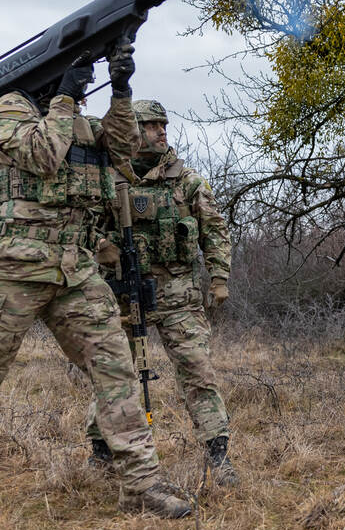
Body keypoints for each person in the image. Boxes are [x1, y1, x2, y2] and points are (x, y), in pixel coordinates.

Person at [0, 45, 192, 518]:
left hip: (75, 268)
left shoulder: (76, 119)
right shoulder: (8, 109)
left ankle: (142, 486)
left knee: (117, 371)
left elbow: (123, 149)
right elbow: (42, 155)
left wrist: (121, 92)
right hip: (12, 267)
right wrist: (64, 97)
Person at [86, 98, 238, 486]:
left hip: (178, 295)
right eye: (152, 125)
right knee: (113, 376)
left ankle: (218, 455)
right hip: (123, 294)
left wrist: (219, 277)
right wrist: (102, 245)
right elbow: (82, 225)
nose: (161, 132)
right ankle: (101, 453)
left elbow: (214, 230)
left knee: (198, 371)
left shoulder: (185, 180)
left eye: (163, 126)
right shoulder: (107, 179)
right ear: (132, 132)